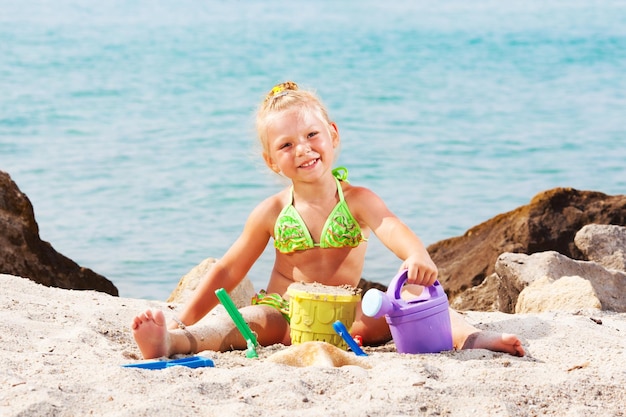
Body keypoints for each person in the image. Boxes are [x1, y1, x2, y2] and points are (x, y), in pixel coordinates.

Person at [131, 81, 525, 359]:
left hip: (345, 317)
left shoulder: (358, 201)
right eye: (286, 145)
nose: (302, 149)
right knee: (241, 321)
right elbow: (229, 270)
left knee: (409, 303)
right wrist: (182, 317)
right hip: (284, 315)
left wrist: (417, 254)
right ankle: (175, 342)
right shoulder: (271, 212)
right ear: (271, 160)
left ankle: (473, 338)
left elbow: (390, 226)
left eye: (311, 135)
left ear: (332, 135)